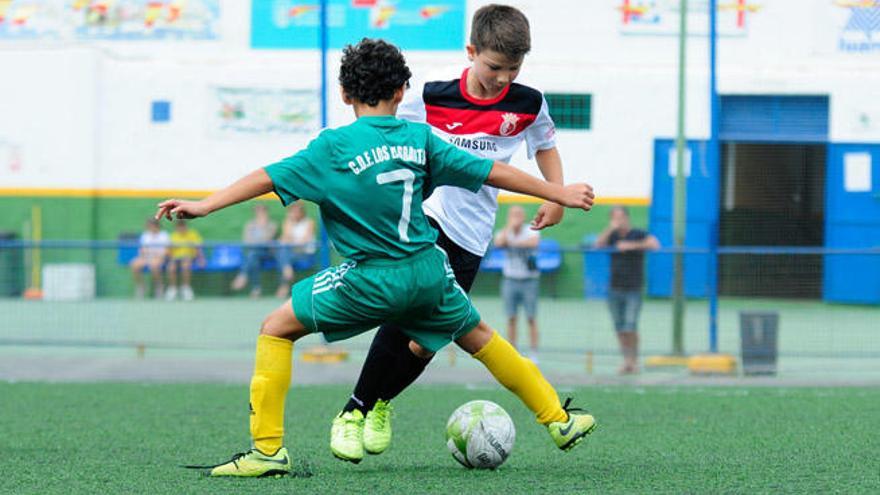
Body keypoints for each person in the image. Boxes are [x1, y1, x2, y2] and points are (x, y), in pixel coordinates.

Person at [156, 38, 596, 477]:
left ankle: (268, 451)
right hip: (428, 273)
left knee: (275, 329)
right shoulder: (420, 138)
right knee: (481, 336)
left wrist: (205, 205)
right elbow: (494, 172)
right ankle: (558, 420)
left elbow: (265, 178)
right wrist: (558, 192)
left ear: (345, 95)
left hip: (369, 280)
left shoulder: (332, 148)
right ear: (403, 91)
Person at [332, 4, 570, 462]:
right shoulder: (431, 92)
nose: (503, 78)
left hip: (474, 236)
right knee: (405, 308)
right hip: (427, 218)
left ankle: (379, 403)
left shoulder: (528, 103)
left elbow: (546, 146)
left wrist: (554, 196)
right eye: (494, 67)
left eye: (513, 68)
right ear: (471, 52)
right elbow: (383, 128)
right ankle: (354, 410)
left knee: (425, 340)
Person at [595, 206, 660, 374]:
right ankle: (626, 361)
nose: (618, 220)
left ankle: (634, 360)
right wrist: (611, 229)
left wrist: (630, 245)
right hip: (614, 288)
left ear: (627, 217)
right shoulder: (612, 236)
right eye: (615, 217)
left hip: (634, 288)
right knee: (619, 327)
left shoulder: (638, 233)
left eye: (621, 217)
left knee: (630, 326)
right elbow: (598, 245)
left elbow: (654, 244)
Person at [494, 205, 541, 357]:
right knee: (511, 317)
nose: (516, 218)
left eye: (519, 215)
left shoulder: (531, 230)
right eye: (513, 215)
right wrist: (510, 227)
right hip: (510, 280)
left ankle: (534, 353)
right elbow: (499, 243)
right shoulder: (504, 232)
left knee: (531, 317)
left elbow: (533, 243)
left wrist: (512, 243)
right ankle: (513, 351)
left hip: (529, 280)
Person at [231, 204, 277, 298]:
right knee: (253, 258)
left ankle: (243, 275)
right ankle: (256, 289)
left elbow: (267, 240)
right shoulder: (250, 224)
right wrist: (258, 240)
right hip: (254, 253)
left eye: (262, 212)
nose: (260, 214)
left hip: (267, 253)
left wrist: (262, 228)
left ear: (266, 212)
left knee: (252, 255)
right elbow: (246, 241)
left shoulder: (272, 224)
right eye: (258, 212)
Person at [274, 202, 316, 298]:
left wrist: (290, 241)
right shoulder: (289, 222)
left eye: (297, 211)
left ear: (302, 212)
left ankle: (284, 283)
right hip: (291, 253)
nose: (295, 213)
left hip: (305, 254)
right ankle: (287, 269)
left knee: (282, 255)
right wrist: (289, 222)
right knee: (282, 254)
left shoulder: (309, 222)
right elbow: (285, 238)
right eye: (292, 212)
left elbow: (303, 242)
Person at [129, 217, 169, 299]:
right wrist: (144, 256)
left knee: (154, 265)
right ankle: (141, 287)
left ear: (157, 226)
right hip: (146, 257)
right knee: (134, 264)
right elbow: (142, 250)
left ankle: (159, 287)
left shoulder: (164, 235)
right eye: (149, 225)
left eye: (153, 225)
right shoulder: (145, 235)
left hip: (160, 258)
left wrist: (158, 256)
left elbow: (166, 251)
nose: (151, 227)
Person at [166, 219, 205, 301]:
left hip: (190, 258)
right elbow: (168, 252)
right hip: (175, 258)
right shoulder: (173, 236)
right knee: (171, 267)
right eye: (179, 227)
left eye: (183, 226)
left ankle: (186, 288)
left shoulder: (193, 234)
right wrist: (170, 257)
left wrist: (201, 259)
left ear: (185, 226)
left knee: (186, 265)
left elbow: (198, 248)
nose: (181, 228)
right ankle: (173, 288)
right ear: (176, 227)